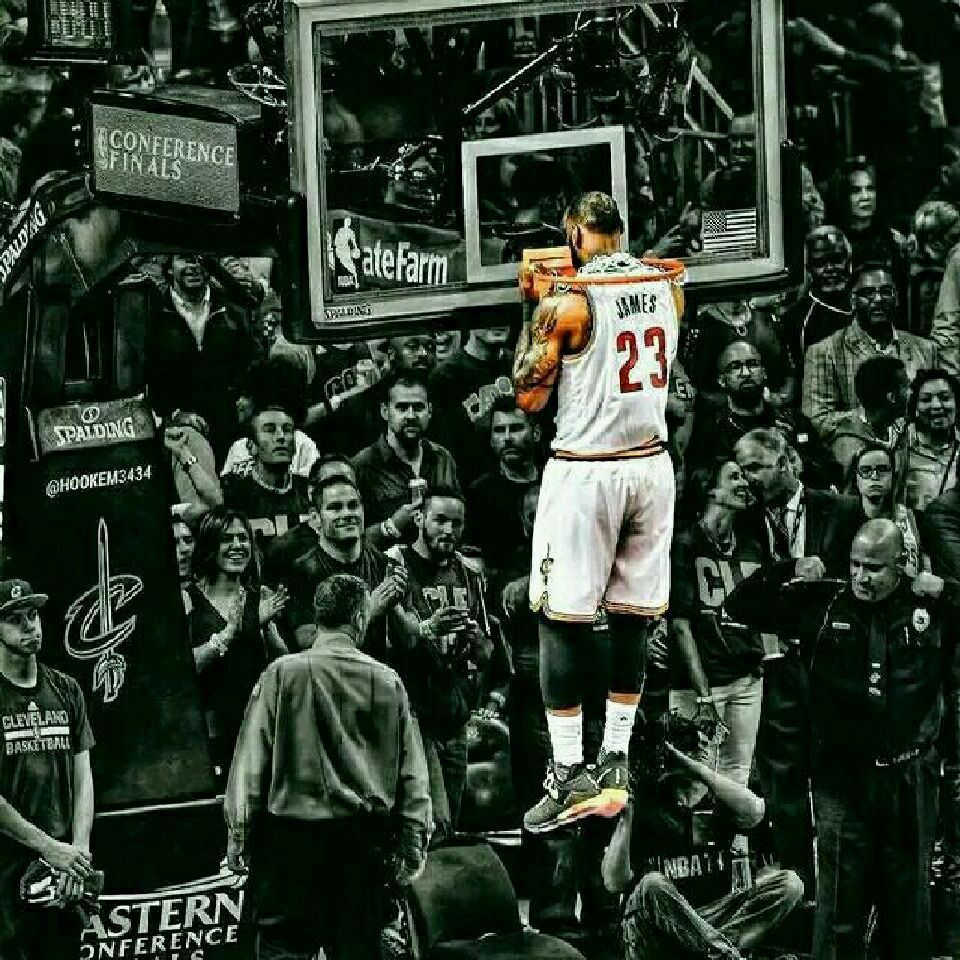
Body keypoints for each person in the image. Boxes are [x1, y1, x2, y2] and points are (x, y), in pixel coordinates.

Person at [512, 191, 684, 832]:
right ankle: (616, 756)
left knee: (560, 620)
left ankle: (567, 772)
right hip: (653, 465)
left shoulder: (569, 302)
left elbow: (528, 396)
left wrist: (529, 309)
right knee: (633, 615)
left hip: (588, 468)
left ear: (572, 234)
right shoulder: (667, 284)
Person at [726, 519, 960, 960]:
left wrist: (946, 589)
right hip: (842, 779)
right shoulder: (823, 603)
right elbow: (741, 604)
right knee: (838, 911)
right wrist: (789, 567)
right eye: (855, 564)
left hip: (910, 777)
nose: (861, 577)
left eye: (873, 568)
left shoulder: (929, 608)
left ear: (901, 564)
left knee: (908, 909)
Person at [224, 574, 432, 960]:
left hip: (291, 848)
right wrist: (413, 841)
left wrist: (239, 835)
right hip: (361, 847)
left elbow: (251, 764)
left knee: (283, 949)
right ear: (360, 616)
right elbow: (413, 775)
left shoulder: (281, 674)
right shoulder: (388, 682)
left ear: (318, 617)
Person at [734, 428, 863, 895]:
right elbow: (742, 594)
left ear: (787, 462)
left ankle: (842, 887)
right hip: (774, 665)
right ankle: (798, 890)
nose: (747, 479)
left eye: (756, 467)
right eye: (741, 470)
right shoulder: (744, 521)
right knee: (783, 783)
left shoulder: (842, 509)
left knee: (836, 778)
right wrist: (789, 570)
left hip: (831, 665)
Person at [601, 718, 803, 960]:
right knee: (651, 884)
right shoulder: (648, 800)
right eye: (690, 746)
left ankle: (716, 953)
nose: (702, 750)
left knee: (790, 884)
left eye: (705, 744)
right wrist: (625, 819)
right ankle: (722, 954)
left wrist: (697, 768)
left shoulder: (722, 801)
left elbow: (755, 811)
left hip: (711, 923)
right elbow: (614, 883)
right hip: (659, 927)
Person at [386, 487, 493, 840]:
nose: (448, 530)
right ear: (419, 518)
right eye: (440, 520)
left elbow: (487, 654)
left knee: (450, 823)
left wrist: (475, 640)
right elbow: (389, 642)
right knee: (434, 822)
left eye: (456, 523)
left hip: (454, 714)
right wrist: (428, 630)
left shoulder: (469, 574)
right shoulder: (395, 564)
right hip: (413, 713)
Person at [0, 579, 96, 960]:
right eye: (14, 619)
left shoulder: (66, 689)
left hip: (60, 877)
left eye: (33, 615)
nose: (29, 626)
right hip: (6, 876)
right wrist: (49, 848)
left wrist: (78, 856)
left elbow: (83, 776)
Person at [670, 462, 765, 797]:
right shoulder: (685, 544)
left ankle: (732, 837)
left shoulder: (753, 545)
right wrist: (704, 696)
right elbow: (680, 625)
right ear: (710, 489)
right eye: (734, 477)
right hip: (699, 686)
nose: (744, 483)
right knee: (691, 784)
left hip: (747, 682)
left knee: (736, 779)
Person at [186, 509, 289, 780]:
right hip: (212, 734)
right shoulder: (187, 599)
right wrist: (229, 633)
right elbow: (185, 669)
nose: (237, 546)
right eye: (227, 539)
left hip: (259, 727)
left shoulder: (260, 597)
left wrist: (266, 626)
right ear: (210, 545)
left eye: (243, 538)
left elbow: (282, 663)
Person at [802, 263, 937, 443]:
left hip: (918, 451)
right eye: (868, 293)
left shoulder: (926, 349)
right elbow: (817, 421)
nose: (879, 299)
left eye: (886, 292)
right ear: (853, 301)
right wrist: (873, 416)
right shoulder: (825, 352)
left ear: (897, 299)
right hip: (857, 451)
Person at [284, 475, 409, 658]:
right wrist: (369, 612)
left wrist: (394, 608)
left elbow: (409, 643)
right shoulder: (301, 572)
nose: (347, 514)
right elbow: (305, 643)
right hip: (326, 674)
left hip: (374, 673)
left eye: (353, 506)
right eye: (335, 507)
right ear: (315, 518)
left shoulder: (387, 566)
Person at [686, 341, 836, 488]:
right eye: (735, 367)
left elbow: (829, 469)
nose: (746, 373)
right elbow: (702, 480)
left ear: (764, 373)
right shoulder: (711, 429)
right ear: (721, 380)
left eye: (752, 364)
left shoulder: (793, 420)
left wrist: (800, 462)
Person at [351, 374, 460, 544]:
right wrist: (390, 527)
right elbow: (349, 539)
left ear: (429, 411)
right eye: (402, 408)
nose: (411, 415)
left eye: (418, 407)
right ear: (385, 412)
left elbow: (458, 518)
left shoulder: (443, 458)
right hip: (385, 559)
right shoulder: (362, 465)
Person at [466, 396, 543, 577]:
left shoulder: (556, 482)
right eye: (499, 430)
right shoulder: (478, 494)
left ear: (536, 433)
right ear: (491, 439)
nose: (507, 438)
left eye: (516, 429)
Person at [221, 399, 312, 545]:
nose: (281, 436)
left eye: (287, 430)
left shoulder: (311, 492)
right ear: (251, 447)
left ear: (295, 446)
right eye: (270, 430)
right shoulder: (235, 497)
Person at [778, 226, 854, 376]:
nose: (830, 268)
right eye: (820, 263)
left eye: (837, 260)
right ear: (808, 268)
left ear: (849, 261)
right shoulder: (796, 320)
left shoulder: (870, 303)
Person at [847, 444, 926, 576]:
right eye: (865, 470)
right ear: (856, 478)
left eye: (882, 469)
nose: (874, 476)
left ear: (893, 475)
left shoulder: (913, 520)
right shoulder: (842, 520)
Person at [830, 355, 910, 473]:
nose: (911, 393)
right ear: (892, 397)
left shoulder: (902, 430)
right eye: (906, 387)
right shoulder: (848, 445)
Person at [904, 369, 960, 510]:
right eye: (926, 400)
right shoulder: (901, 448)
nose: (936, 406)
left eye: (945, 398)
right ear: (915, 407)